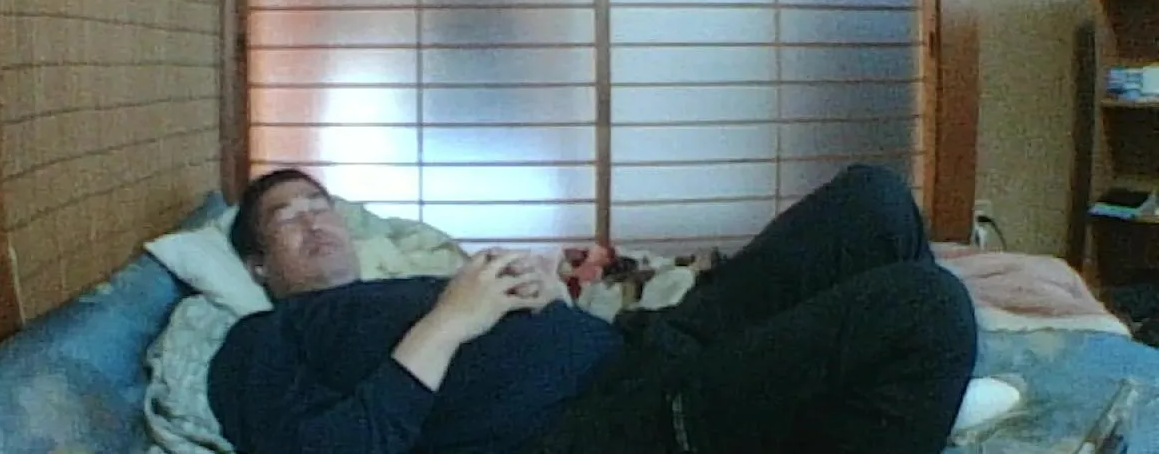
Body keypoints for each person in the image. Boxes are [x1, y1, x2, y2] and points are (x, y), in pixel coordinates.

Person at [208, 165, 977, 454]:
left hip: (642, 347)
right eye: (286, 217)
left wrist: (548, 304)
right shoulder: (262, 338)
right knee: (926, 311)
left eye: (321, 204)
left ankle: (881, 410)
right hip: (599, 429)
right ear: (256, 265)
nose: (315, 221)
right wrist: (451, 321)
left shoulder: (398, 278)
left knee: (873, 201)